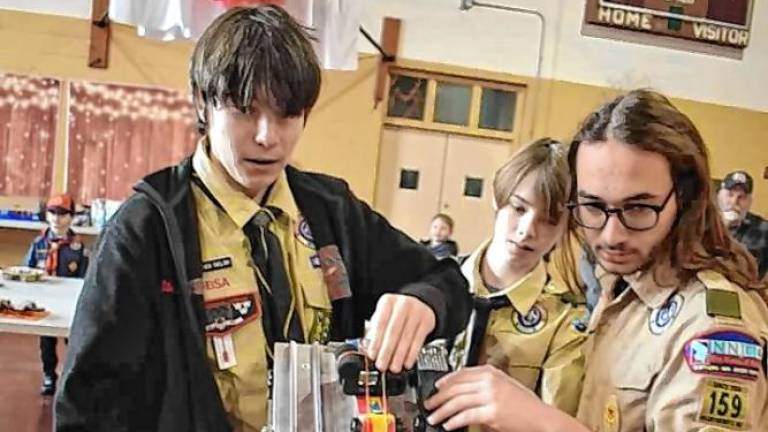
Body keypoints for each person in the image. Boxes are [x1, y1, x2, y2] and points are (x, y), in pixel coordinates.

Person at [54, 6, 471, 432]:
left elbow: (449, 282)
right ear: (203, 102)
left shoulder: (331, 210)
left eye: (287, 114)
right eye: (245, 110)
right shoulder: (147, 229)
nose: (268, 136)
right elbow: (89, 404)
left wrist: (424, 301)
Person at [424, 90, 768, 431]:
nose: (611, 235)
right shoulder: (619, 289)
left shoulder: (712, 322)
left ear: (685, 198)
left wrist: (543, 423)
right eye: (593, 206)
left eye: (638, 208)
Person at [446, 138, 586, 430]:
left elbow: (555, 421)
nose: (527, 231)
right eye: (519, 209)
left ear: (566, 227)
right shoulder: (435, 283)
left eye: (549, 220)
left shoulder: (565, 321)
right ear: (498, 199)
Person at [23, 193, 88, 396]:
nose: (56, 219)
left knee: (74, 342)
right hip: (45, 302)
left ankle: (73, 377)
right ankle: (49, 375)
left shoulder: (78, 248)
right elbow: (27, 269)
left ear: (71, 217)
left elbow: (85, 277)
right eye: (52, 213)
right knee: (47, 343)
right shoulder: (39, 243)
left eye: (62, 214)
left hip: (69, 304)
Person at [717, 170, 768, 279]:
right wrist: (722, 228)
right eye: (730, 195)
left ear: (749, 202)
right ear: (719, 196)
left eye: (742, 197)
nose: (734, 202)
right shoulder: (703, 223)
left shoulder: (763, 229)